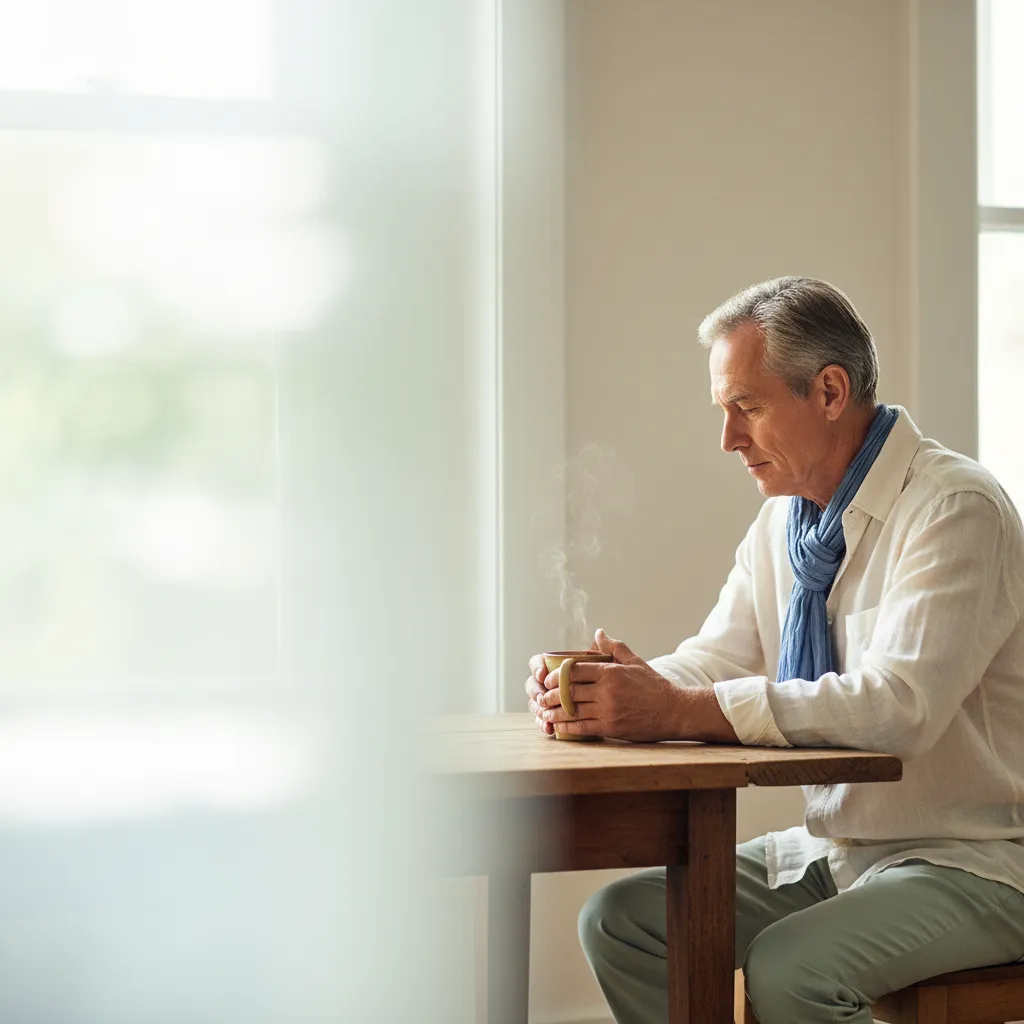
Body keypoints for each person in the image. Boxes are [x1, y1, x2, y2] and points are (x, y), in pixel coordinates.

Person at [524, 277, 1024, 1024]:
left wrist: (678, 705)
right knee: (622, 924)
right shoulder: (785, 524)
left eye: (745, 407)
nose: (728, 438)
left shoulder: (955, 509)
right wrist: (619, 689)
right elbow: (718, 662)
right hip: (843, 849)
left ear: (829, 391)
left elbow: (899, 710)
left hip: (974, 859)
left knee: (789, 971)